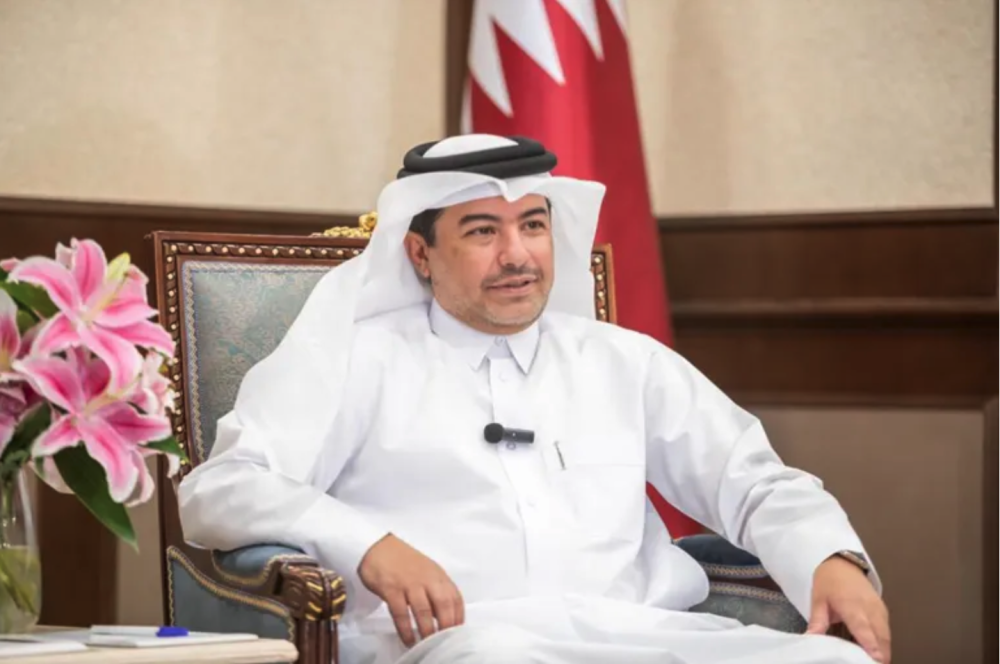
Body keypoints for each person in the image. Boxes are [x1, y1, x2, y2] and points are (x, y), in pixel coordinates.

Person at [177, 134, 890, 664]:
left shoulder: (623, 361)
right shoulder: (356, 359)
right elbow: (221, 488)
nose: (517, 254)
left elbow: (754, 482)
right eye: (483, 231)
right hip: (460, 643)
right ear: (420, 254)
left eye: (534, 226)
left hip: (637, 635)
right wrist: (367, 546)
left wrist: (832, 559)